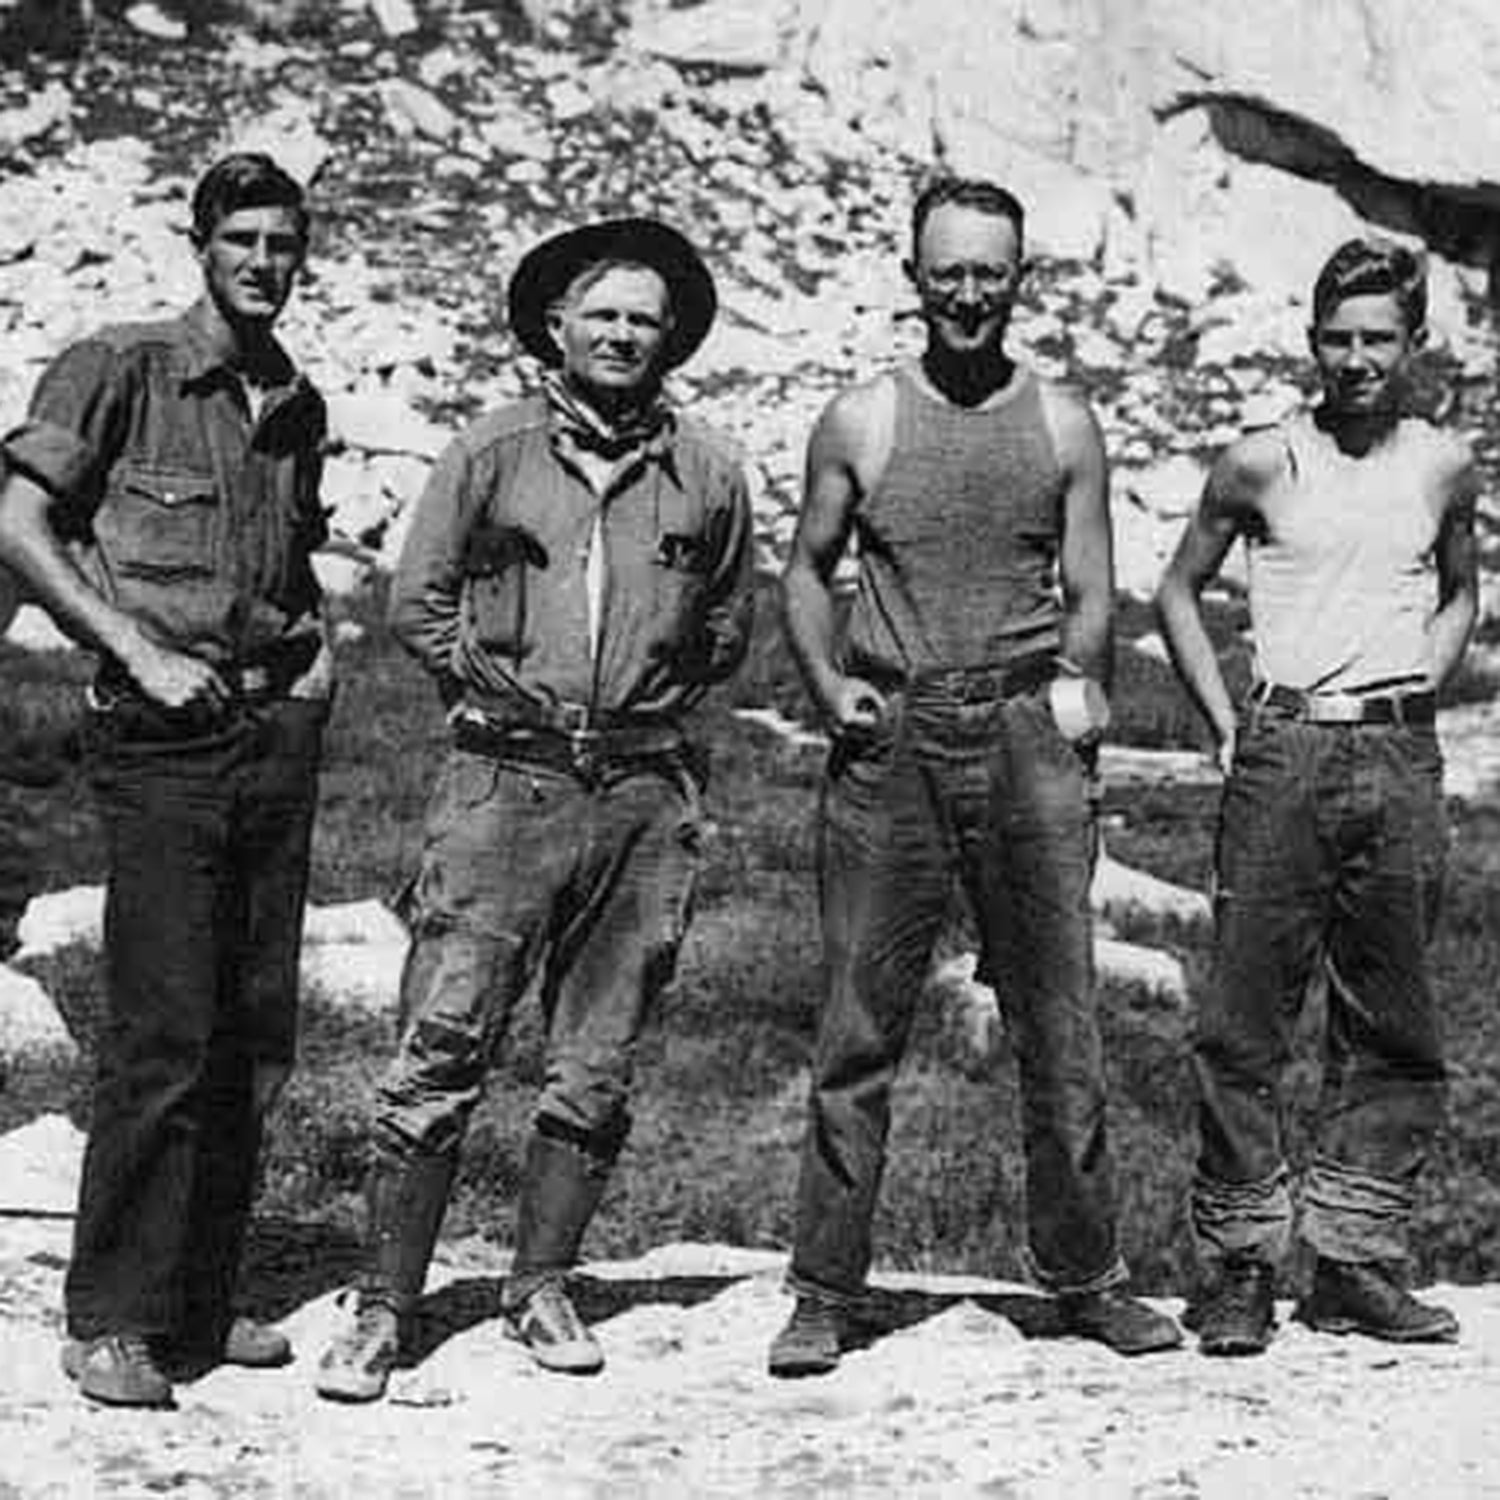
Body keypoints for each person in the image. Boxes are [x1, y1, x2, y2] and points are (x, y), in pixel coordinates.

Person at [315, 217, 754, 1402]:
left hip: (643, 793)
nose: (620, 333)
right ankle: (382, 1306)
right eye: (600, 313)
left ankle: (540, 1284)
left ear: (671, 341)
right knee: (445, 1041)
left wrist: (639, 705)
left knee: (597, 1057)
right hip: (503, 785)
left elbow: (725, 627)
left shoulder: (707, 469)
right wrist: (496, 693)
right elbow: (422, 600)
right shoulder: (492, 448)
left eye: (643, 319)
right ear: (555, 326)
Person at [767, 176, 1182, 1378]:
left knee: (1061, 1019)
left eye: (987, 272)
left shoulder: (1062, 423)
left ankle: (1087, 1277)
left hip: (1020, 735)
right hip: (891, 735)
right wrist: (826, 682)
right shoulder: (861, 419)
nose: (965, 293)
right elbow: (805, 569)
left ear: (1019, 279)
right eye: (945, 270)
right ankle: (824, 1289)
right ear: (914, 277)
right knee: (860, 1020)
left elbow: (1096, 584)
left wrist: (1082, 691)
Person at [0, 152, 333, 1407]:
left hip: (268, 736)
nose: (262, 261)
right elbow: (19, 525)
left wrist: (316, 668)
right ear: (201, 243)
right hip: (159, 732)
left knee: (251, 1033)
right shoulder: (120, 365)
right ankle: (115, 1318)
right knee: (163, 1030)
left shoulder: (292, 397)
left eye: (283, 244)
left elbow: (290, 565)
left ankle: (201, 1299)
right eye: (242, 237)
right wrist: (135, 647)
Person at [1155, 237, 1478, 1357]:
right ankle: (1242, 1264)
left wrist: (1415, 691)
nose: (1355, 360)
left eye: (1377, 339)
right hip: (1282, 753)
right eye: (1337, 339)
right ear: (1311, 342)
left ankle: (1354, 1262)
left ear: (1414, 345)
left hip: (1397, 756)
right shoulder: (1260, 462)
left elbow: (1461, 594)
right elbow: (1179, 591)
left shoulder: (1443, 464)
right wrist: (1227, 718)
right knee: (1246, 1018)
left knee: (1391, 1019)